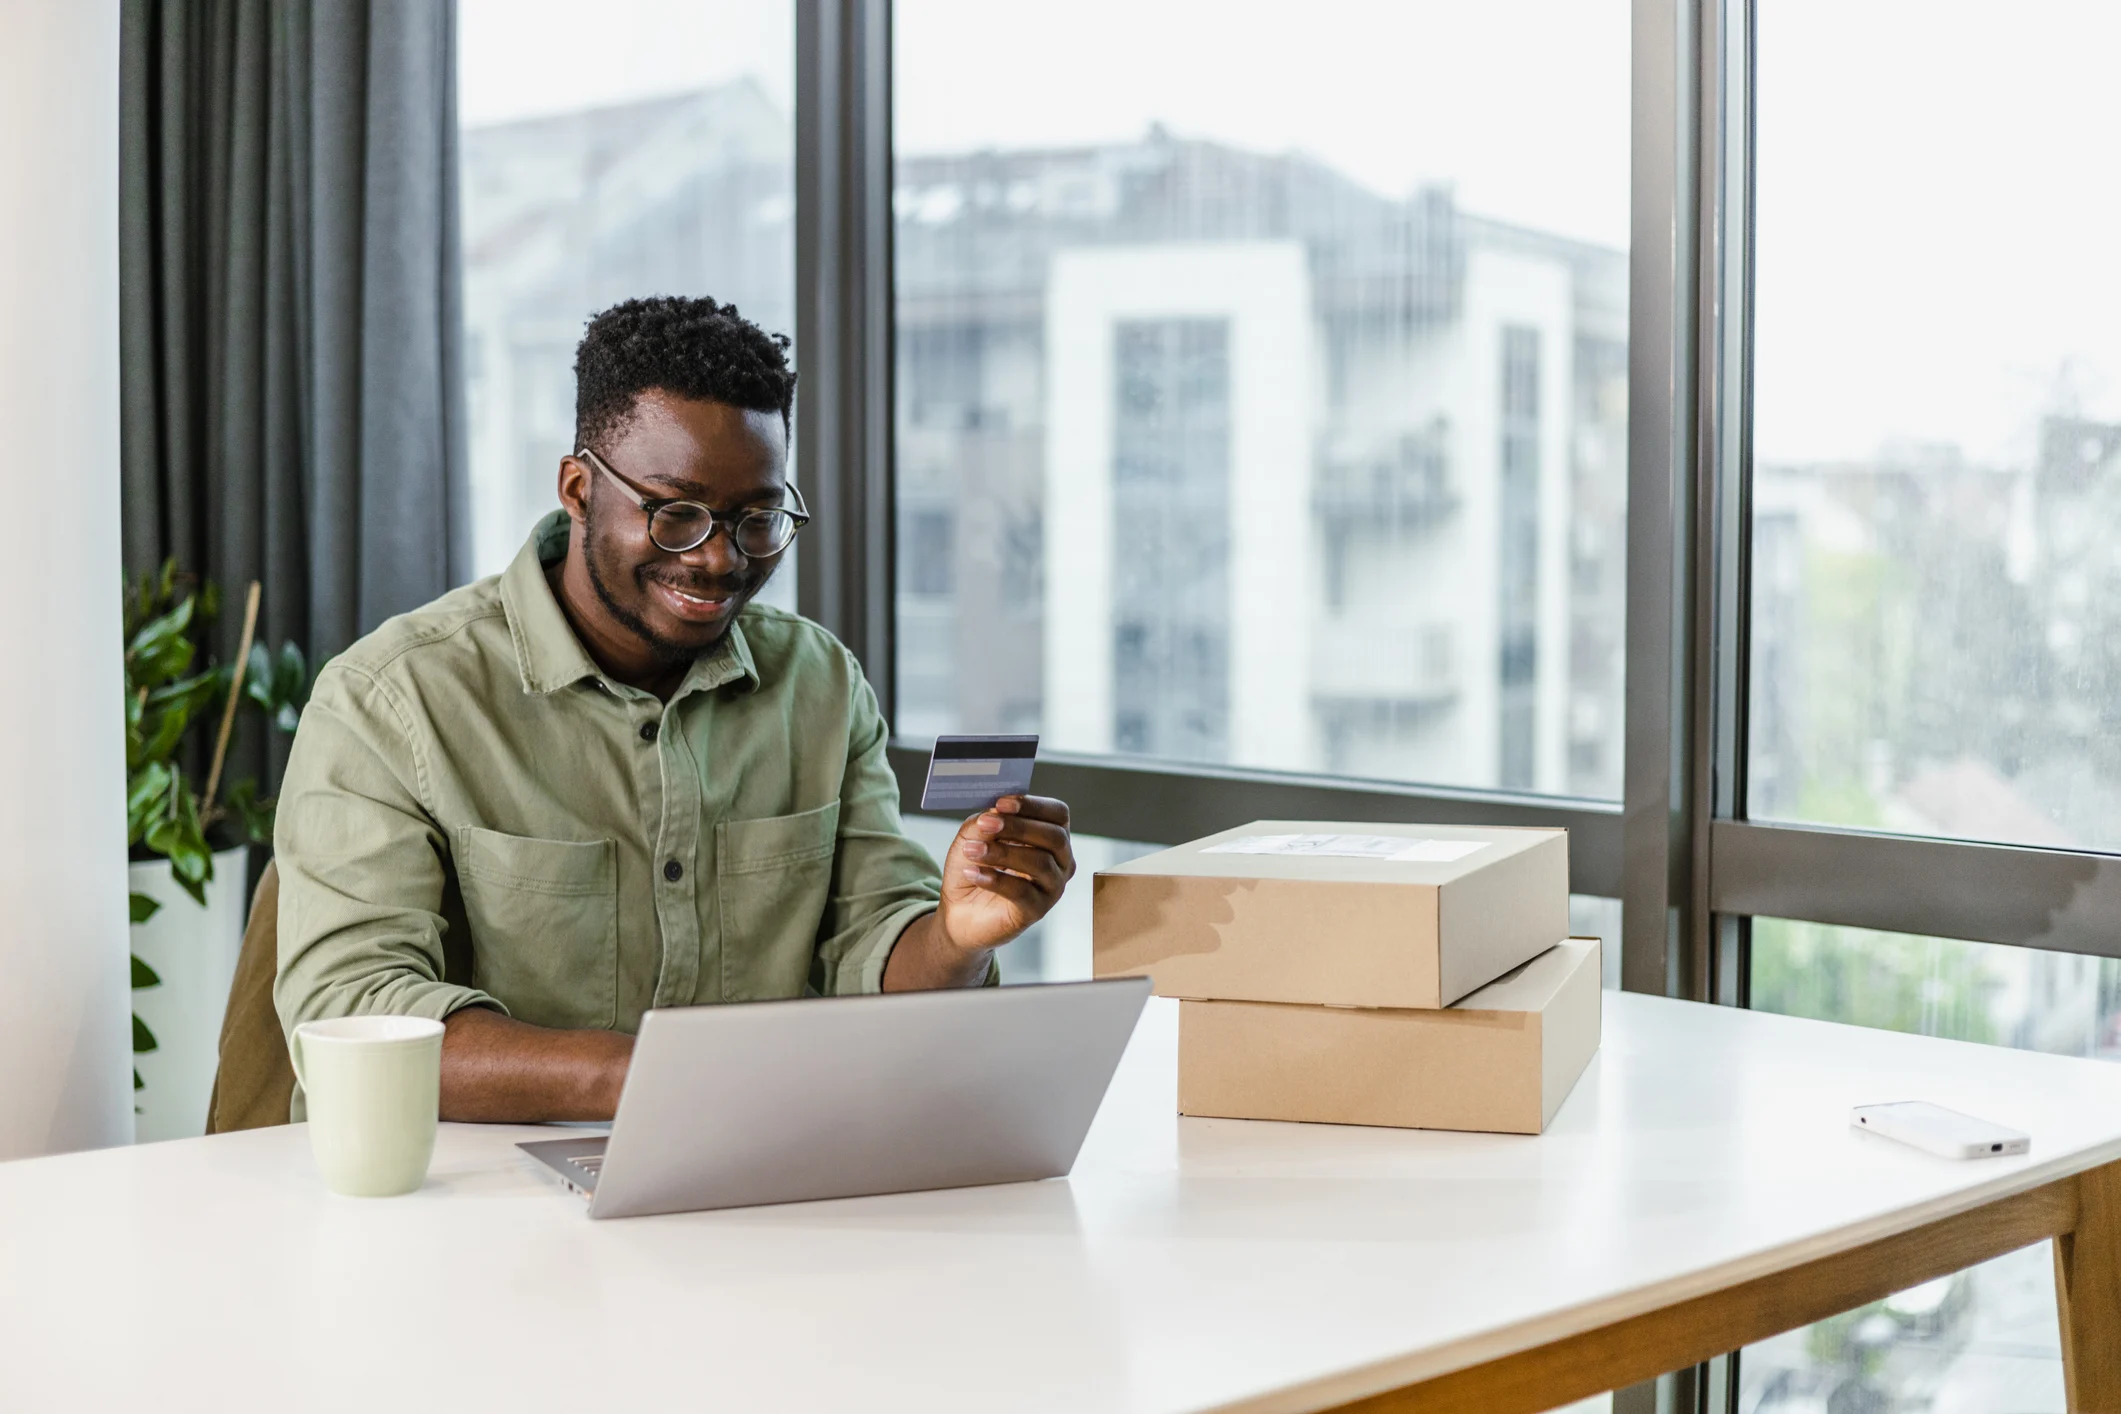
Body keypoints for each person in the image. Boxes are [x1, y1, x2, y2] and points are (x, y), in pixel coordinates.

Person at [273, 295, 1074, 1123]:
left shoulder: (818, 684)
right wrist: (651, 1080)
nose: (719, 557)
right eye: (676, 512)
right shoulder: (392, 699)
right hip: (466, 1204)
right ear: (578, 489)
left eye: (756, 518)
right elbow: (349, 1013)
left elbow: (871, 950)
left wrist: (955, 938)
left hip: (735, 1181)